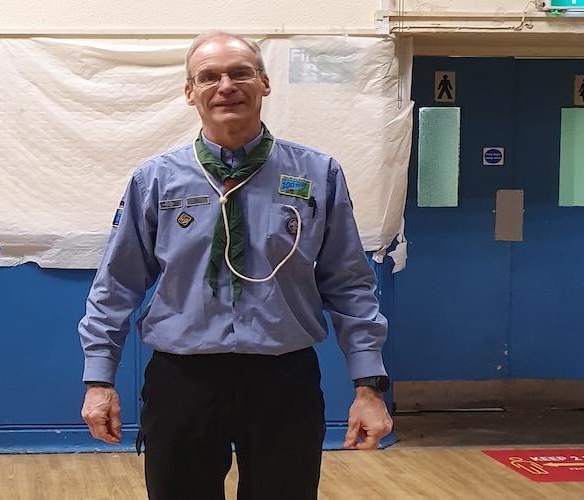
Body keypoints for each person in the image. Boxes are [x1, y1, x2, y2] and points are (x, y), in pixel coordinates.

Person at [78, 30, 392, 500]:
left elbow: (349, 284)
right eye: (209, 77)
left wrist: (369, 388)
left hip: (283, 380)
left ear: (264, 83)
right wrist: (98, 380)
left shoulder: (317, 175)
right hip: (184, 380)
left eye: (240, 73)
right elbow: (116, 285)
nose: (226, 86)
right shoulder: (156, 179)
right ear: (190, 92)